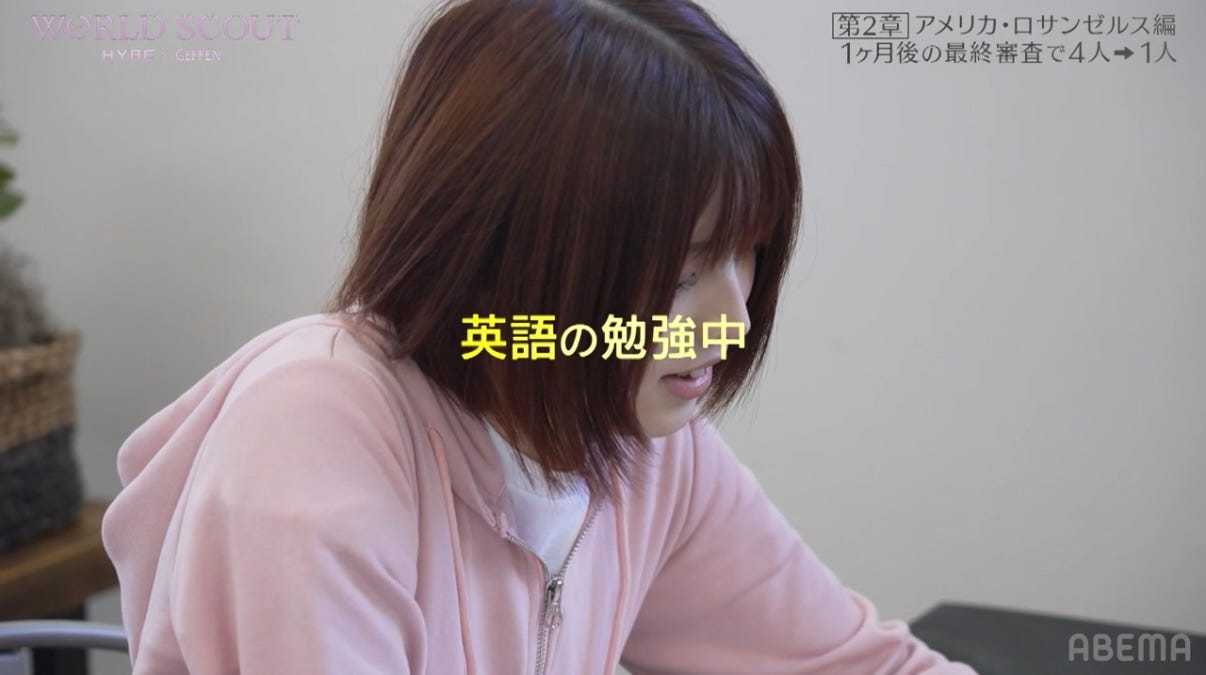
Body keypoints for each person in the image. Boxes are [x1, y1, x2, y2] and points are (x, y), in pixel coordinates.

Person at [101, 0, 978, 672]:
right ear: (504, 250)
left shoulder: (641, 445)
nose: (735, 319)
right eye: (682, 274)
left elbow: (853, 665)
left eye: (747, 252)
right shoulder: (314, 437)